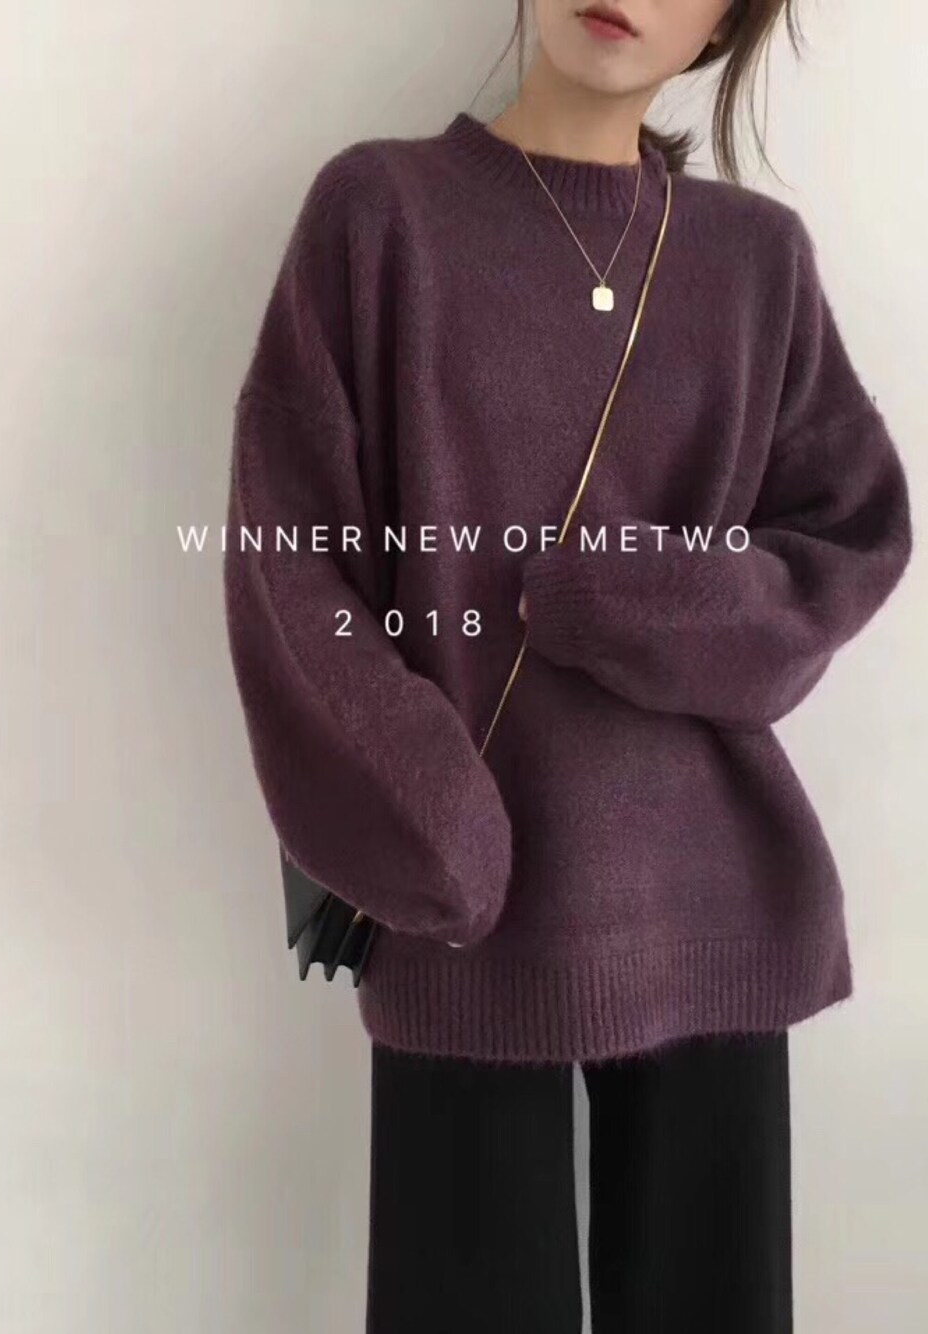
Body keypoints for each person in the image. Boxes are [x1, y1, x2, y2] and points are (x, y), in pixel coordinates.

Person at [222, 2, 914, 1330]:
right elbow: (287, 559)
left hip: (713, 905)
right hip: (457, 903)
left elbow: (850, 534)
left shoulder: (754, 260)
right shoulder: (381, 216)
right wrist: (423, 801)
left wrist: (639, 598)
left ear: (727, 23)